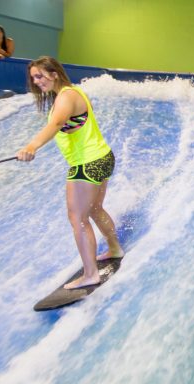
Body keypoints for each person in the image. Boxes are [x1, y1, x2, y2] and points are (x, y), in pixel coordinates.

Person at [16, 56, 124, 289]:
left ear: (54, 74)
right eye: (33, 78)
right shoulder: (74, 93)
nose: (36, 82)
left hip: (87, 163)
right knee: (94, 209)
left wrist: (31, 146)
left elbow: (55, 125)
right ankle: (114, 248)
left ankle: (90, 274)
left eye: (40, 76)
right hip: (102, 157)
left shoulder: (66, 98)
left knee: (78, 218)